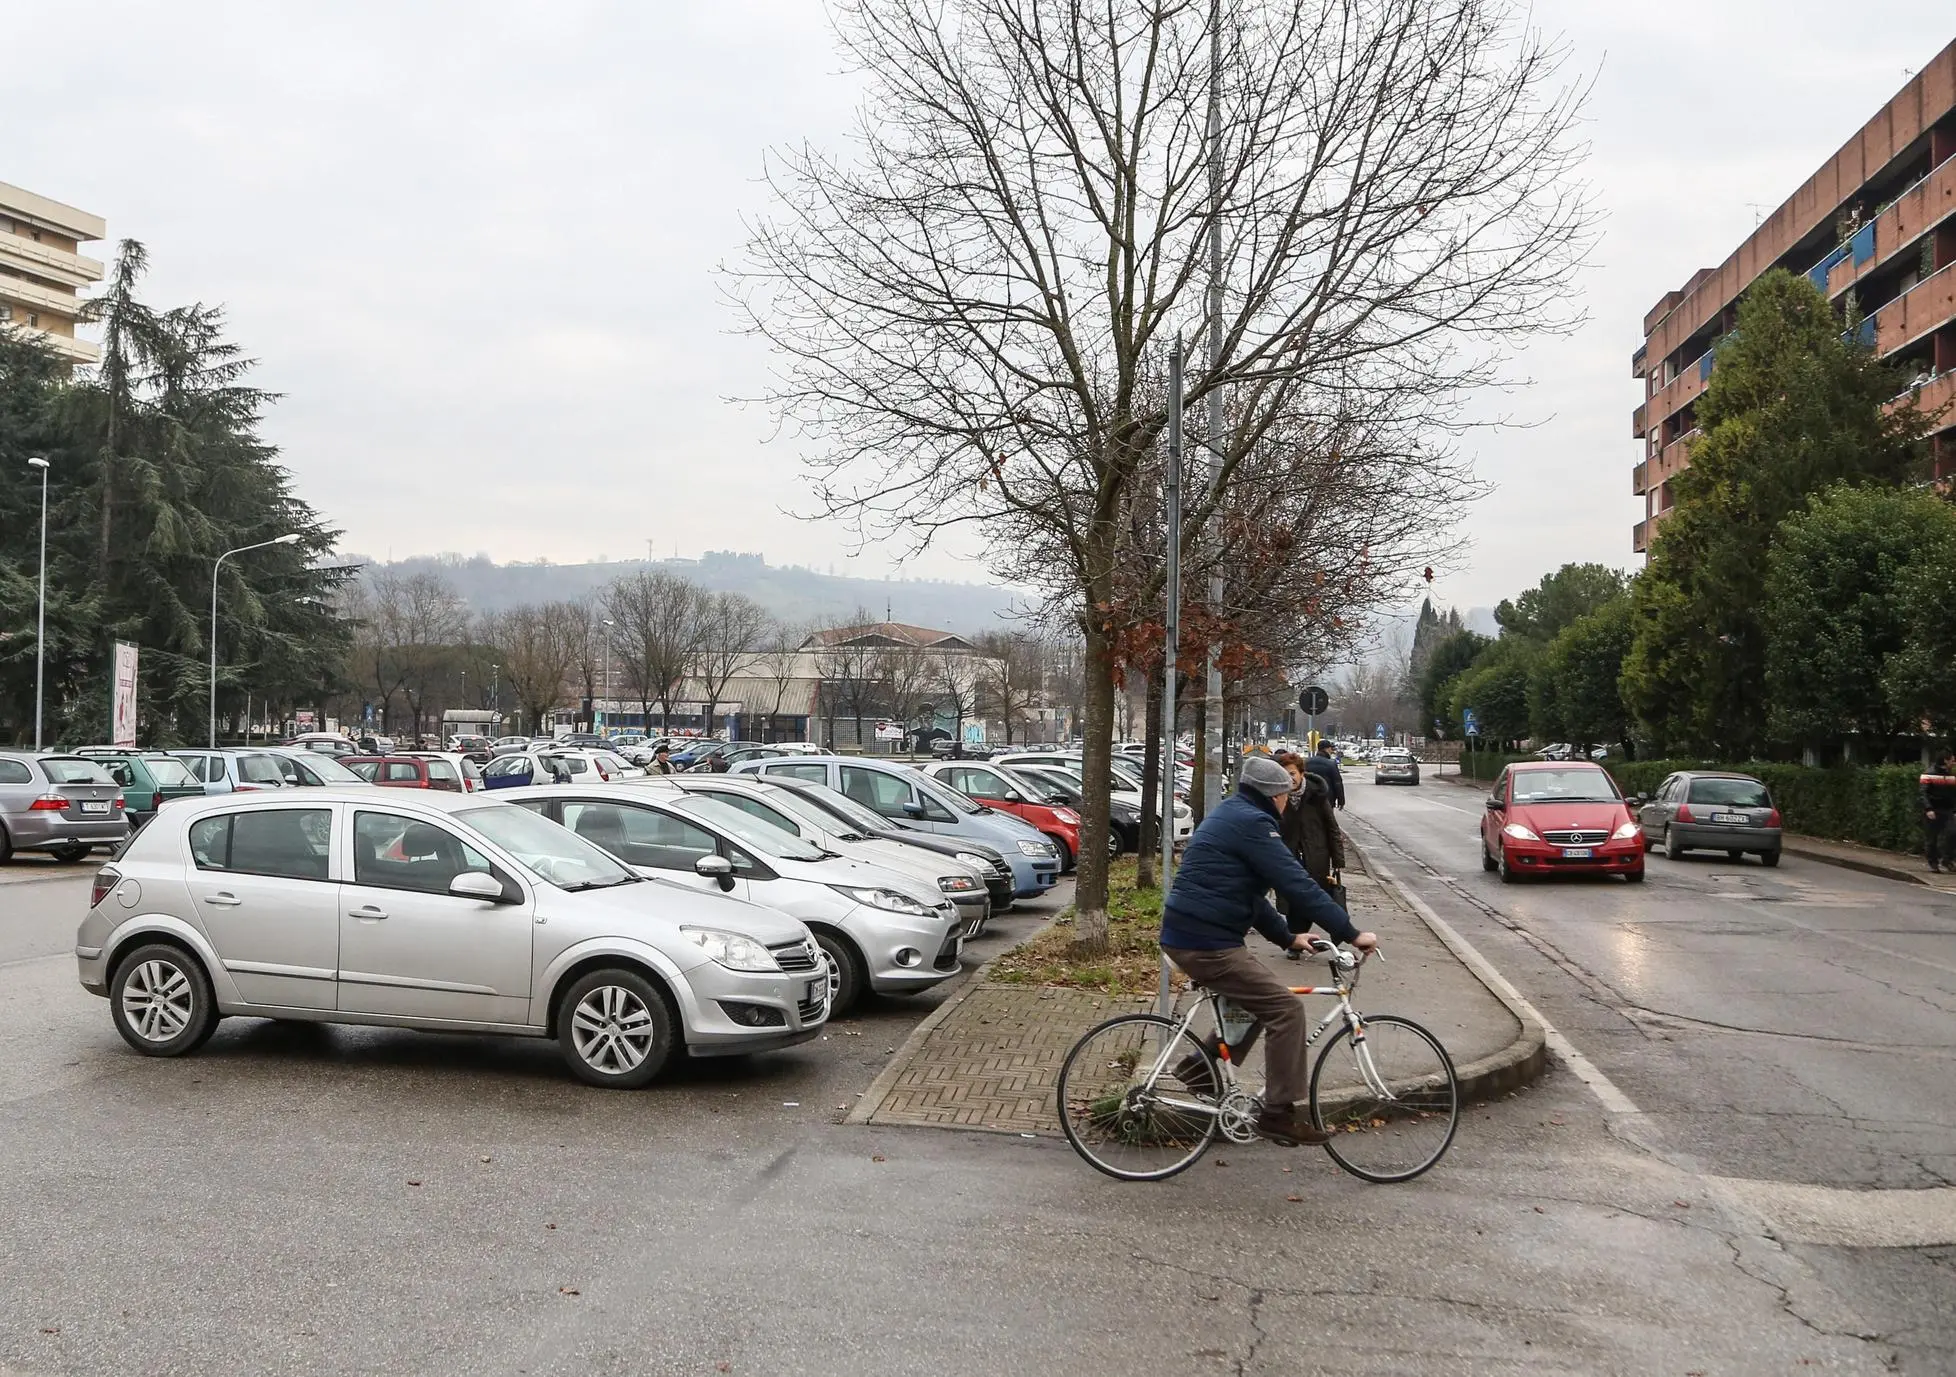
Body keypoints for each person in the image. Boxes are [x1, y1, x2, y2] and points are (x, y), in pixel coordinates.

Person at [1158, 754, 1378, 1148]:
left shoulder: (1233, 814)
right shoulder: (1253, 824)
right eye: (1285, 794)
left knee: (1261, 1000)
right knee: (1286, 1010)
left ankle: (1199, 1071)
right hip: (1205, 941)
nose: (1286, 802)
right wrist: (1350, 931)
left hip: (1198, 934)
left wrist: (1288, 938)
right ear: (1273, 795)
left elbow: (1252, 896)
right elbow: (1297, 883)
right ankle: (1278, 1114)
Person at [1276, 751, 1345, 927]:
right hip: (1288, 856)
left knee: (1312, 898)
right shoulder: (1276, 798)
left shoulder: (1317, 796)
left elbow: (1332, 828)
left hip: (1315, 855)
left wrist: (1338, 860)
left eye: (1292, 773)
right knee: (1292, 898)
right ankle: (1296, 938)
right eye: (1284, 774)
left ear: (1301, 774)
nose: (1289, 778)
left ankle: (1302, 936)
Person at [1921, 754, 1956, 873]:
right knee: (1932, 839)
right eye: (1952, 760)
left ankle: (1947, 860)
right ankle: (1933, 863)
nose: (1954, 762)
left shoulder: (1950, 775)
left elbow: (1953, 794)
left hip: (1947, 810)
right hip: (1933, 810)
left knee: (1952, 833)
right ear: (1945, 761)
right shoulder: (1929, 774)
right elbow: (1923, 793)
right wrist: (1928, 809)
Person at [1303, 739, 1345, 810]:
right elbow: (1337, 783)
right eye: (1331, 749)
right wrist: (1341, 801)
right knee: (1327, 820)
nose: (1331, 751)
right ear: (1327, 749)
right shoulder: (1331, 764)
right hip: (1327, 799)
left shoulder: (1306, 762)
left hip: (1309, 798)